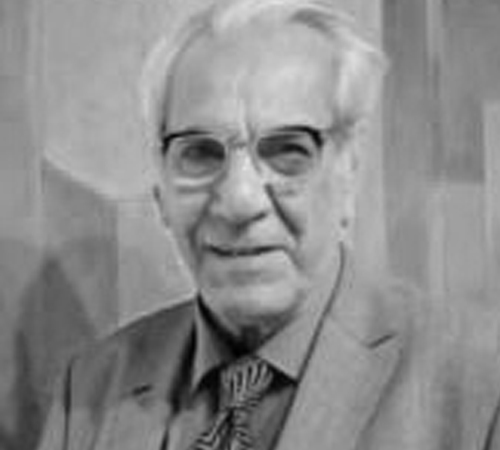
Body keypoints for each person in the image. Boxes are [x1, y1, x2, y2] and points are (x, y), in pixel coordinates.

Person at [37, 0, 500, 449]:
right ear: (160, 188)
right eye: (200, 153)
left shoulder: (480, 382)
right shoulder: (91, 388)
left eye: (287, 151)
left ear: (349, 171)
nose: (240, 201)